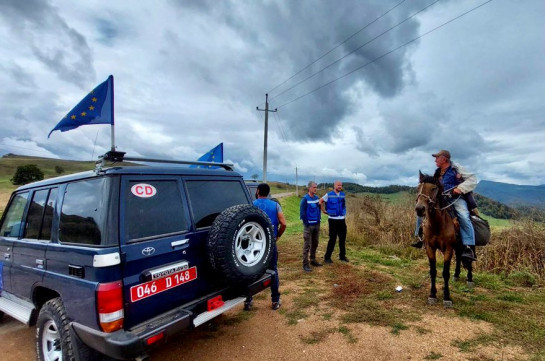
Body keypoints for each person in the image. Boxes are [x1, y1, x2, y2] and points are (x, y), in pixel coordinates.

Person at [411, 150, 478, 261]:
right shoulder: (437, 172)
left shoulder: (456, 168)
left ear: (444, 159)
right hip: (441, 198)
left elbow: (473, 179)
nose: (435, 160)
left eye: (437, 158)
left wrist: (460, 188)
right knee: (422, 211)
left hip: (456, 198)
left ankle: (468, 248)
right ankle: (422, 238)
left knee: (464, 216)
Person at [250, 183, 286, 310]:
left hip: (255, 244)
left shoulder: (252, 205)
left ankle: (248, 301)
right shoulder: (275, 205)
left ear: (258, 191)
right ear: (268, 192)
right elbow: (283, 223)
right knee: (273, 270)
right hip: (270, 242)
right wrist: (278, 236)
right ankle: (275, 301)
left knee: (250, 270)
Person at [320, 180, 349, 263]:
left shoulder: (343, 195)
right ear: (334, 186)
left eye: (341, 185)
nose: (340, 187)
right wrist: (323, 210)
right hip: (332, 220)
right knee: (332, 239)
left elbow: (343, 205)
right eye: (338, 185)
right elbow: (320, 201)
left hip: (342, 220)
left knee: (342, 239)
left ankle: (342, 256)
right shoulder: (329, 195)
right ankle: (327, 257)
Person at [300, 181, 322, 272]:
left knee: (315, 243)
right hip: (309, 226)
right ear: (309, 188)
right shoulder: (305, 199)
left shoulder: (317, 198)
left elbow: (318, 208)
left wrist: (319, 219)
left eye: (316, 187)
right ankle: (305, 264)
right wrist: (307, 223)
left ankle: (313, 260)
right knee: (307, 245)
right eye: (314, 187)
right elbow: (302, 213)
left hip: (316, 224)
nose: (315, 189)